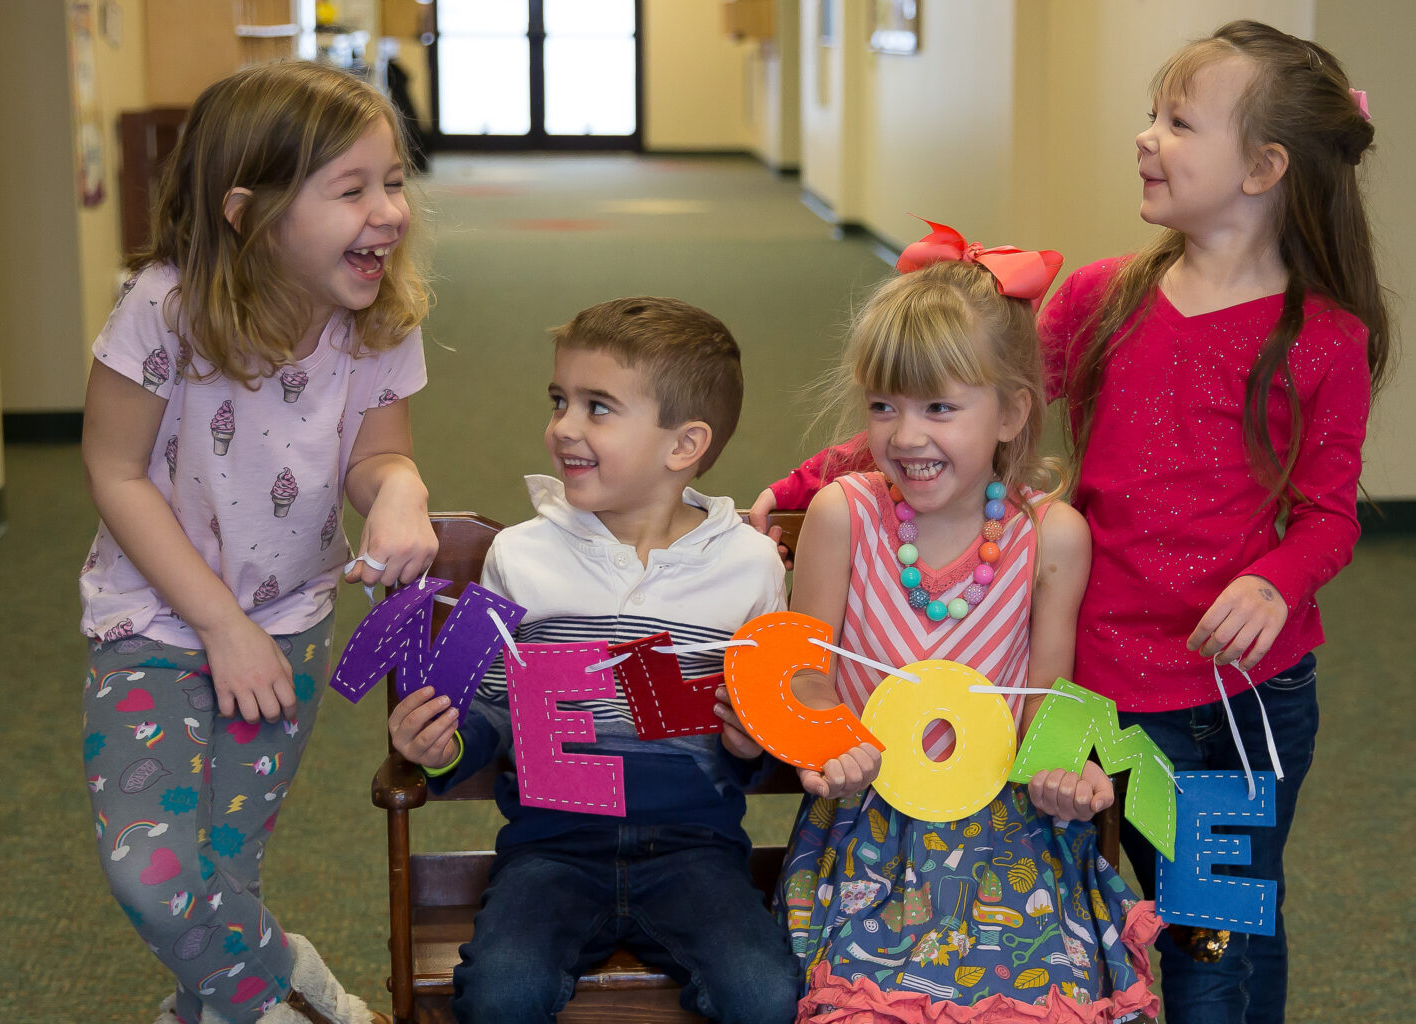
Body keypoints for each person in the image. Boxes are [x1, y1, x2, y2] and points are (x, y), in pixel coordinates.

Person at [751, 21, 1390, 1023]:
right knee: (1095, 913)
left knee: (1216, 929)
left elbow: (1325, 511)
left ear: (1264, 166)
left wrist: (1276, 579)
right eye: (1150, 114)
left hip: (1234, 707)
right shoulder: (1100, 296)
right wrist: (798, 487)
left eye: (1178, 121)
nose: (1145, 137)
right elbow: (965, 420)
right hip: (1083, 693)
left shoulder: (1321, 338)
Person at [80, 60, 438, 1024]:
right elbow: (114, 472)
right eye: (352, 189)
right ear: (248, 211)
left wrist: (400, 491)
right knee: (156, 876)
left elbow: (378, 457)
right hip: (154, 621)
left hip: (290, 621)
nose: (390, 212)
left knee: (223, 874)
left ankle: (226, 1001)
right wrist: (220, 624)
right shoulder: (163, 309)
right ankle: (278, 986)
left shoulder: (378, 319)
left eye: (395, 181)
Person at [722, 240, 1162, 1021]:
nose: (906, 436)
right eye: (884, 406)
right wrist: (829, 743)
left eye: (939, 408)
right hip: (869, 827)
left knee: (1038, 999)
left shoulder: (1050, 536)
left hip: (1012, 835)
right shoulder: (843, 516)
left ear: (1013, 411)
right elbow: (811, 674)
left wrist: (1071, 778)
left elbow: (1046, 707)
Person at [388, 297, 799, 1024]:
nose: (563, 429)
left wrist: (749, 745)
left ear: (684, 445)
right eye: (559, 401)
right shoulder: (519, 554)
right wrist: (445, 744)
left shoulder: (752, 566)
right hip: (551, 851)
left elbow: (760, 736)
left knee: (764, 995)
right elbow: (485, 702)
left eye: (597, 407)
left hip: (696, 849)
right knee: (501, 994)